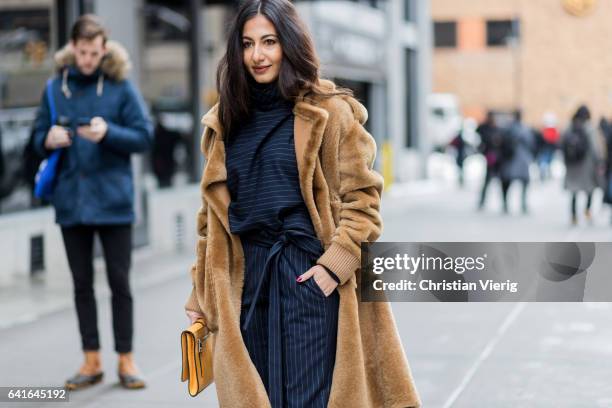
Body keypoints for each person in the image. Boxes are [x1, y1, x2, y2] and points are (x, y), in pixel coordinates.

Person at [183, 1, 420, 407]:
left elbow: (363, 199)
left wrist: (335, 266)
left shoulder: (329, 112)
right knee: (258, 396)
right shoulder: (226, 121)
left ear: (289, 45)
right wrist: (199, 295)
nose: (257, 55)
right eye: (247, 43)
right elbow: (211, 222)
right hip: (245, 280)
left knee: (310, 399)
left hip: (307, 274)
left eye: (269, 42)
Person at [32, 15, 152, 390]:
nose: (87, 59)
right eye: (82, 52)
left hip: (114, 202)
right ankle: (91, 360)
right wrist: (48, 139)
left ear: (104, 49)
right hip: (71, 202)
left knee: (120, 283)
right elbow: (35, 138)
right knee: (81, 284)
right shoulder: (55, 88)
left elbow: (144, 135)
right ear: (72, 48)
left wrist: (108, 132)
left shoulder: (120, 87)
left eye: (94, 53)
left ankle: (126, 360)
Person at [562, 105, 604, 225]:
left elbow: (562, 144)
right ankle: (587, 210)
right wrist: (599, 161)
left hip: (572, 165)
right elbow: (595, 147)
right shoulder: (589, 128)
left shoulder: (569, 127)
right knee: (589, 189)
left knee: (573, 191)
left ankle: (574, 216)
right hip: (586, 164)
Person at [499, 111, 535, 214]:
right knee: (523, 182)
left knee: (507, 182)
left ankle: (507, 203)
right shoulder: (524, 129)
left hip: (511, 160)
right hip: (519, 159)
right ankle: (522, 204)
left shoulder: (508, 128)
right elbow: (531, 143)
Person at [477, 112, 503, 209]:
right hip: (490, 158)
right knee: (487, 181)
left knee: (498, 181)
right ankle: (482, 201)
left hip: (497, 159)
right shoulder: (486, 128)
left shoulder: (496, 129)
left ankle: (503, 202)